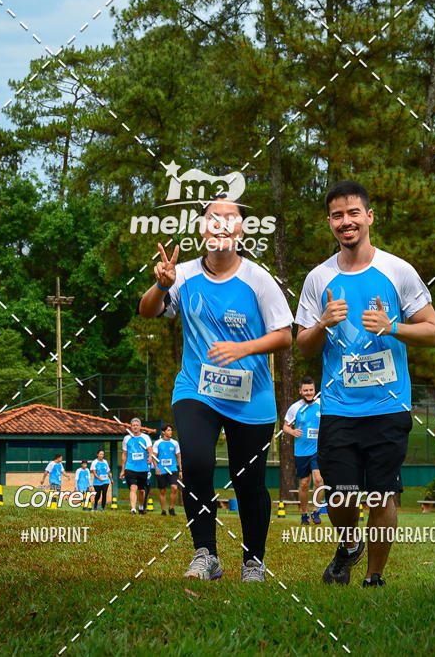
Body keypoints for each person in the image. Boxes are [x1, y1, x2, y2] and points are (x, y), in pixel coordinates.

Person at [139, 194, 293, 582]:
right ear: (202, 228)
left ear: (241, 229)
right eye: (213, 217)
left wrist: (243, 348)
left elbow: (284, 335)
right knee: (196, 463)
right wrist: (160, 286)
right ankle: (205, 553)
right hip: (198, 389)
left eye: (229, 218)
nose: (221, 224)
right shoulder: (182, 273)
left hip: (251, 397)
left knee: (249, 482)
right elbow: (148, 310)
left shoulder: (258, 279)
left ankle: (253, 561)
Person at [296, 180, 435, 588]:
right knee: (340, 495)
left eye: (353, 213)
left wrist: (393, 327)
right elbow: (303, 346)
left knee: (382, 495)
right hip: (339, 408)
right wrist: (322, 323)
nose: (346, 222)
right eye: (337, 216)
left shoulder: (398, 271)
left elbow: (433, 332)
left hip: (388, 406)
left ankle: (374, 577)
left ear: (369, 216)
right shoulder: (318, 278)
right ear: (329, 222)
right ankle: (349, 545)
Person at [283, 377, 323, 525]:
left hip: (317, 450)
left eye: (311, 390)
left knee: (319, 479)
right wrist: (292, 432)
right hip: (301, 451)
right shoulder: (295, 408)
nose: (309, 393)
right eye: (305, 390)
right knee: (304, 484)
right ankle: (304, 513)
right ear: (300, 391)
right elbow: (285, 426)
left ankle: (316, 511)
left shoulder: (321, 405)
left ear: (314, 390)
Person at [120, 419, 153, 514]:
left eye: (137, 425)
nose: (135, 427)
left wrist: (150, 457)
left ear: (140, 427)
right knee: (133, 487)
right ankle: (133, 509)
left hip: (143, 468)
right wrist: (122, 470)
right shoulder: (126, 438)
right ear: (131, 427)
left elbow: (150, 449)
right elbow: (124, 454)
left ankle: (141, 507)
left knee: (142, 490)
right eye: (133, 425)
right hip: (130, 467)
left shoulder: (145, 437)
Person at [153, 423, 182, 515]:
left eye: (171, 430)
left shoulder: (175, 443)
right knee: (162, 490)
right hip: (161, 470)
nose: (170, 432)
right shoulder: (157, 443)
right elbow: (154, 457)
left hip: (172, 469)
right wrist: (156, 467)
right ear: (163, 432)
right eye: (168, 430)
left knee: (174, 488)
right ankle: (163, 510)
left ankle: (171, 508)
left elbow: (178, 457)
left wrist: (180, 470)